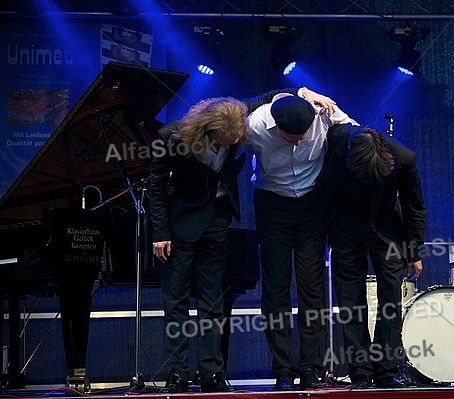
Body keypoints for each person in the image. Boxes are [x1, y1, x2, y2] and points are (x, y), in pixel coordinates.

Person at [150, 90, 335, 393]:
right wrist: (160, 233)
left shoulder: (238, 116)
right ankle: (178, 371)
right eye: (225, 140)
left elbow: (275, 95)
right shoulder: (170, 137)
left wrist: (306, 93)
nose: (230, 144)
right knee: (176, 301)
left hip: (217, 222)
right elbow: (157, 188)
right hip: (180, 225)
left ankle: (212, 371)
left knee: (213, 302)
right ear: (207, 128)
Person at [247, 94, 357, 391]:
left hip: (312, 204)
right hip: (272, 203)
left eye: (303, 136)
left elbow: (357, 133)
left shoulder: (322, 114)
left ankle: (311, 367)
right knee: (276, 286)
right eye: (290, 137)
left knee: (312, 286)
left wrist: (324, 103)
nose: (298, 142)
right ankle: (282, 369)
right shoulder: (256, 123)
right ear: (275, 124)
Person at [320, 124, 426, 388]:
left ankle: (386, 370)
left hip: (387, 228)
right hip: (345, 227)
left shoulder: (403, 158)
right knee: (351, 301)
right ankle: (360, 372)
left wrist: (414, 252)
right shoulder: (336, 142)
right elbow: (320, 188)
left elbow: (415, 206)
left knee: (391, 298)